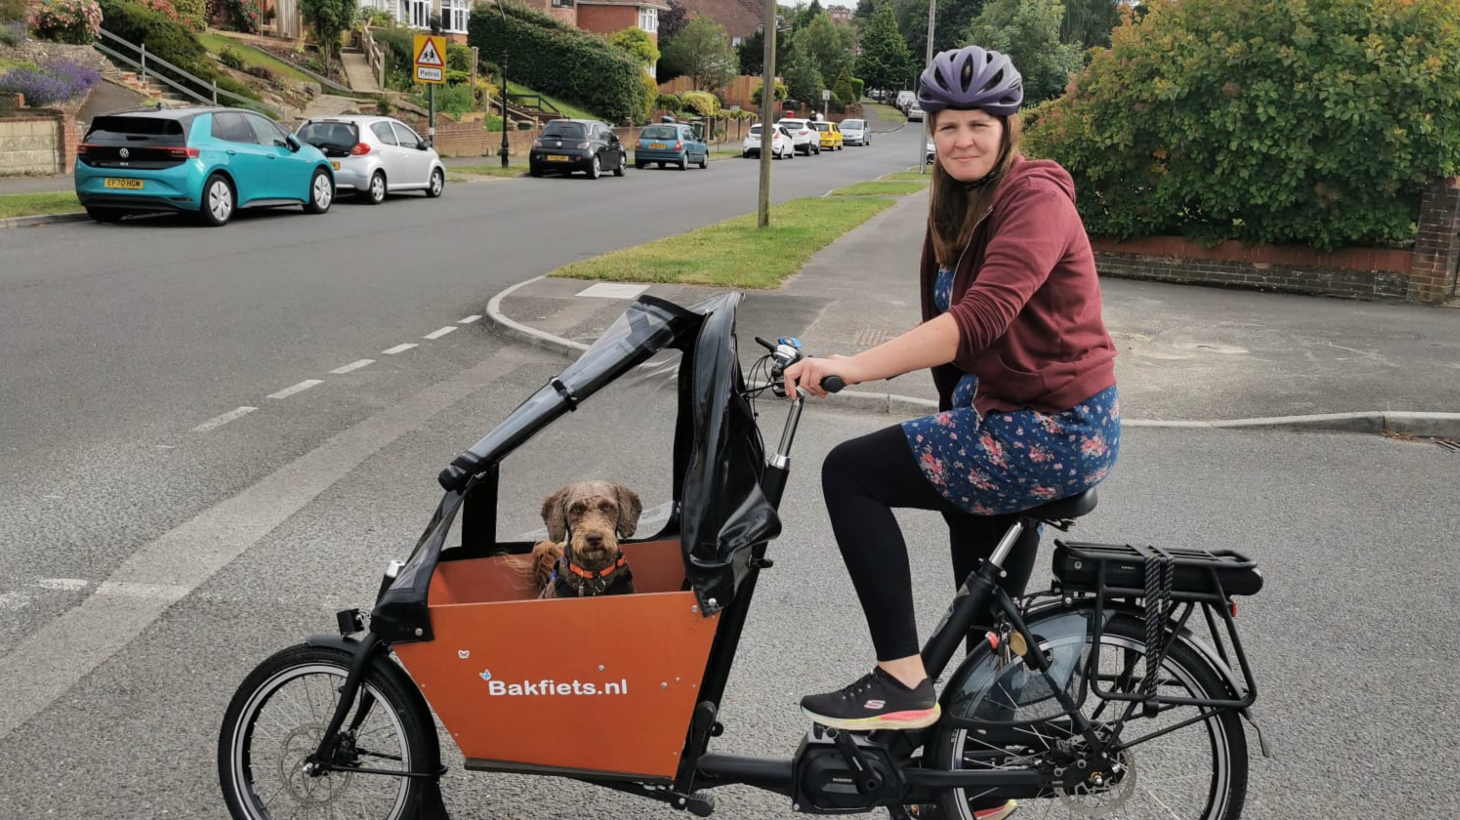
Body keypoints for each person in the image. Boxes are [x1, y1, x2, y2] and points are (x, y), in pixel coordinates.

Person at [783, 45, 1120, 739]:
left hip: (1047, 427)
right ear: (931, 131)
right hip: (1011, 418)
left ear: (1007, 128)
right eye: (948, 125)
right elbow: (953, 327)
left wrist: (855, 364)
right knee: (986, 619)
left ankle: (901, 680)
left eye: (979, 124)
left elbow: (977, 321)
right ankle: (984, 781)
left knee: (850, 472)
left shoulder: (1036, 199)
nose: (962, 139)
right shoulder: (961, 202)